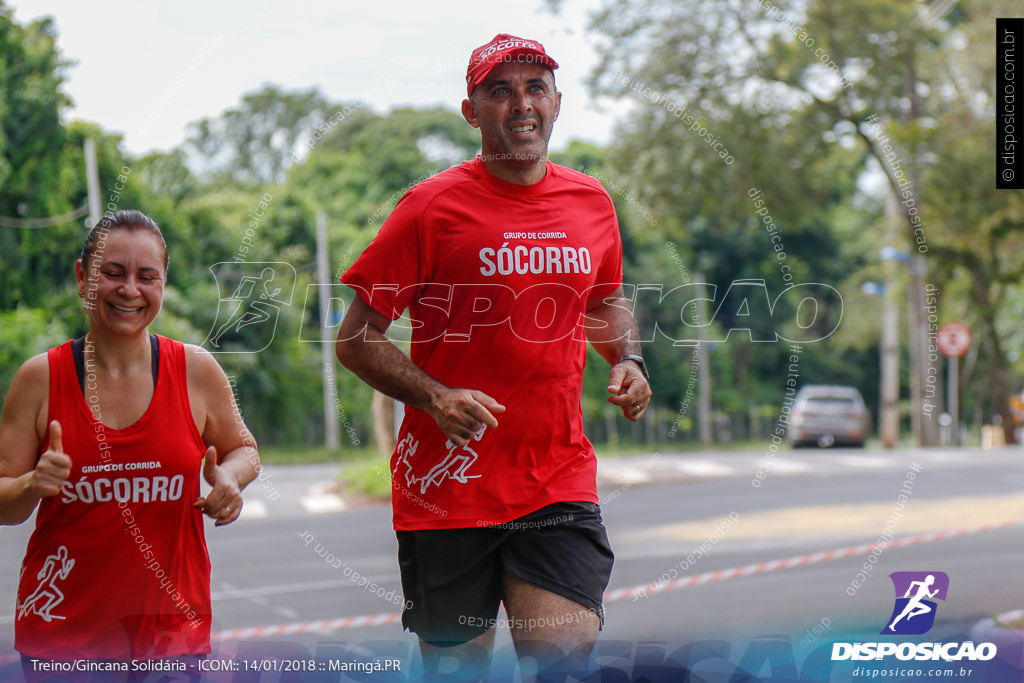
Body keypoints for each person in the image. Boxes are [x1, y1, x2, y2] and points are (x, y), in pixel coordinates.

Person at [335, 34, 652, 678]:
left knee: (563, 663)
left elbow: (607, 301)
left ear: (557, 103)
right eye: (499, 91)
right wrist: (434, 396)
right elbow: (356, 337)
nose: (521, 104)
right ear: (471, 110)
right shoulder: (428, 208)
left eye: (536, 87)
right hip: (446, 489)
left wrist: (631, 361)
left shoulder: (591, 203)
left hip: (554, 480)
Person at [0, 210, 260, 679]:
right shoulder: (40, 379)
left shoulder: (196, 371)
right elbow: (5, 505)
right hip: (61, 645)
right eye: (112, 273)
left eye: (147, 276)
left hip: (172, 644)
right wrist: (34, 485)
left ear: (163, 283)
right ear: (83, 278)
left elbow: (246, 451)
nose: (129, 290)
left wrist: (230, 478)